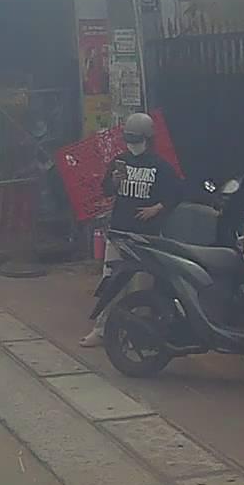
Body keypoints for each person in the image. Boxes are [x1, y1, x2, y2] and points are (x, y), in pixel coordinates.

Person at [80, 112, 181, 347]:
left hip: (146, 238)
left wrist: (157, 208)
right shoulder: (120, 161)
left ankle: (138, 333)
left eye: (137, 139)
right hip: (119, 233)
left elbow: (177, 193)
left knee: (142, 286)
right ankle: (102, 330)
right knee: (111, 282)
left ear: (148, 138)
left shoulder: (160, 166)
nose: (132, 145)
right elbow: (106, 190)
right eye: (129, 139)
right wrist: (114, 181)